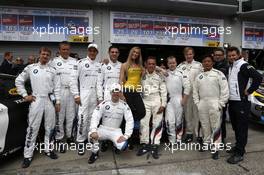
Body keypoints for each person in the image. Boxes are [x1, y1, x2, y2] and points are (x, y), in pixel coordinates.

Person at [15, 47, 61, 168]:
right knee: (32, 128)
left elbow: (57, 87)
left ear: (49, 57)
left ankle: (48, 150)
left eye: (47, 55)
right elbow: (19, 81)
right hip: (36, 99)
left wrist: (58, 102)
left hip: (50, 100)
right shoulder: (31, 67)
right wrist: (25, 95)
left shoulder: (53, 70)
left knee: (50, 127)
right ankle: (27, 155)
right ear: (39, 55)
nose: (45, 56)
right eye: (43, 54)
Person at [226, 46, 262, 164]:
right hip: (232, 101)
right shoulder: (232, 66)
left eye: (233, 55)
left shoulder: (243, 65)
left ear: (238, 54)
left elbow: (258, 76)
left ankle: (240, 153)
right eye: (229, 55)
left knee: (241, 128)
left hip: (241, 102)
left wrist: (249, 91)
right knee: (236, 126)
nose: (231, 57)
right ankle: (238, 146)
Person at [193, 55, 229, 160]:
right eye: (205, 61)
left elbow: (225, 90)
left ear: (212, 63)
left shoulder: (218, 74)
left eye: (209, 61)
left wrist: (220, 104)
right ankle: (206, 143)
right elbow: (195, 92)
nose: (207, 63)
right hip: (203, 104)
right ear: (202, 63)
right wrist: (197, 104)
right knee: (205, 125)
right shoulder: (199, 76)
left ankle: (216, 148)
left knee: (215, 126)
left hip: (215, 103)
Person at [88, 83, 134, 164]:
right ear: (110, 92)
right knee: (90, 135)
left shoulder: (124, 105)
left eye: (118, 91)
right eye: (114, 91)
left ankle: (116, 145)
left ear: (120, 93)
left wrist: (126, 135)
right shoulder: (104, 103)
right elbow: (95, 116)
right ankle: (95, 153)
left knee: (123, 146)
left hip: (116, 131)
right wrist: (94, 130)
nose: (115, 93)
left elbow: (130, 120)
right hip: (103, 129)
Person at [70, 43, 102, 155]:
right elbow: (73, 80)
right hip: (83, 93)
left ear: (97, 53)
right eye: (91, 51)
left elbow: (99, 83)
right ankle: (80, 141)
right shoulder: (80, 63)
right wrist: (76, 95)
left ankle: (90, 139)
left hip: (94, 95)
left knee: (92, 119)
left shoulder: (99, 65)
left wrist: (100, 97)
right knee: (82, 118)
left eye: (94, 51)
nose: (92, 53)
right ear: (88, 51)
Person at [50, 41, 78, 153]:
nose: (65, 51)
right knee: (60, 117)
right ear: (60, 50)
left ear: (70, 50)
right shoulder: (54, 62)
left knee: (71, 116)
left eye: (67, 49)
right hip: (59, 91)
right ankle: (59, 138)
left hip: (71, 92)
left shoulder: (75, 62)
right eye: (63, 49)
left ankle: (70, 136)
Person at [137, 56, 167, 159]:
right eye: (149, 63)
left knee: (157, 123)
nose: (151, 65)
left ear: (155, 65)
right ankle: (144, 144)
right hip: (145, 100)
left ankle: (155, 144)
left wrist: (163, 105)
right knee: (143, 122)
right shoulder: (142, 74)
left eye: (153, 64)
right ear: (146, 64)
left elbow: (163, 91)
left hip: (156, 100)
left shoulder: (160, 75)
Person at [119, 46, 146, 149]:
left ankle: (132, 130)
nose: (135, 54)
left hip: (136, 91)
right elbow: (121, 80)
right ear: (131, 53)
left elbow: (150, 67)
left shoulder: (140, 66)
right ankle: (127, 141)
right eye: (134, 52)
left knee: (141, 111)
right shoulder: (125, 65)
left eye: (137, 53)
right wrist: (121, 93)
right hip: (127, 90)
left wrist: (160, 69)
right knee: (128, 115)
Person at [177, 47, 203, 143]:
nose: (189, 56)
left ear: (193, 54)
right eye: (187, 54)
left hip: (197, 94)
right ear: (184, 55)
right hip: (186, 95)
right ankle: (189, 134)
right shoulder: (180, 66)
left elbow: (203, 78)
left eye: (190, 54)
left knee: (197, 115)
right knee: (187, 115)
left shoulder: (199, 65)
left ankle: (199, 135)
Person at [164, 56, 190, 144]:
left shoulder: (181, 73)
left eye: (173, 63)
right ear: (167, 64)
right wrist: (161, 69)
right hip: (169, 101)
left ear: (176, 63)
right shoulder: (165, 74)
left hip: (179, 99)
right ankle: (172, 141)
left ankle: (179, 140)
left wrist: (184, 99)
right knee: (170, 122)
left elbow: (187, 87)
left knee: (179, 121)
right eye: (170, 63)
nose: (172, 65)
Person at [213, 48, 229, 145]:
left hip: (221, 97)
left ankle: (222, 139)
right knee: (213, 119)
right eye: (216, 55)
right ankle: (214, 137)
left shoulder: (227, 66)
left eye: (219, 55)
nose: (217, 56)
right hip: (212, 96)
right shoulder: (212, 64)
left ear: (223, 56)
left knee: (221, 119)